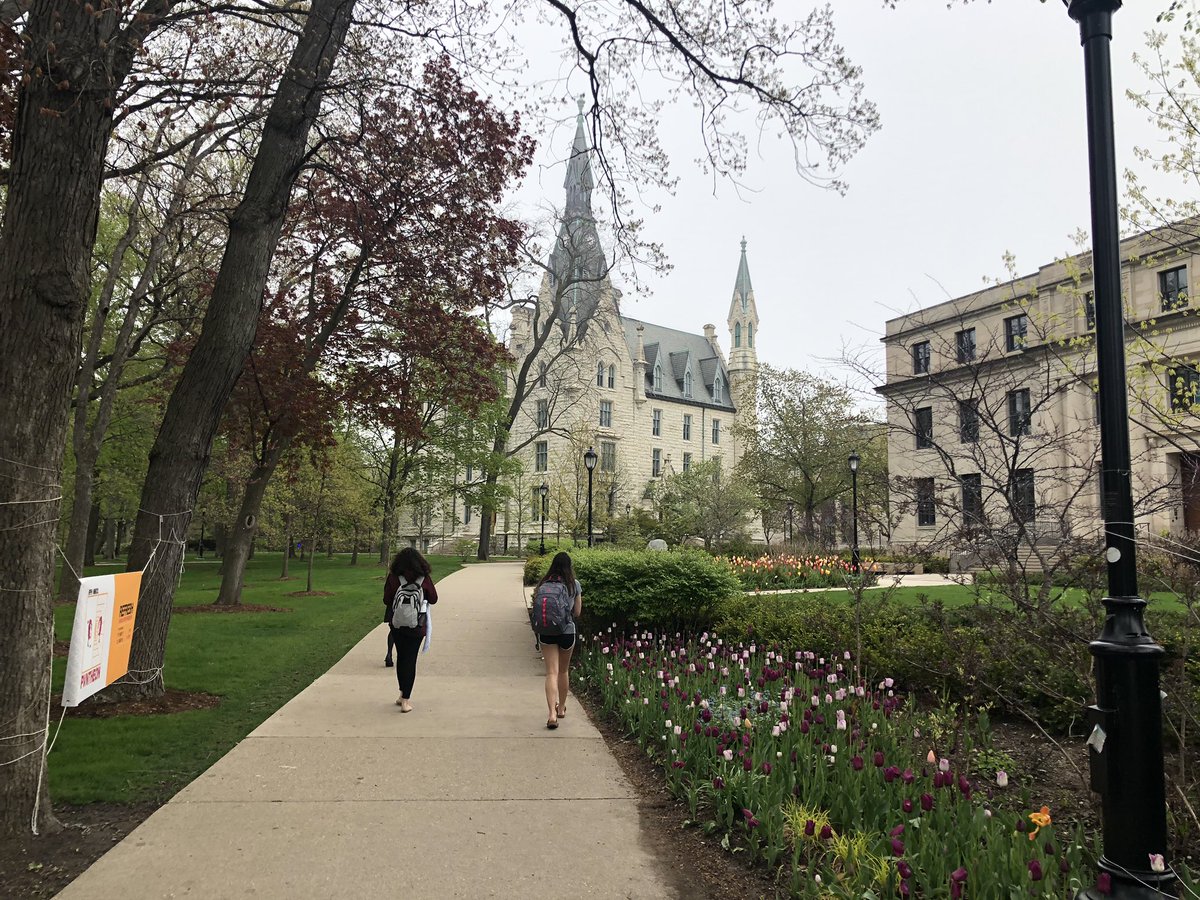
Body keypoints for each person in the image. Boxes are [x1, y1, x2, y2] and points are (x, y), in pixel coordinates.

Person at [382, 547, 438, 713]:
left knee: (401, 658)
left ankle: (401, 694)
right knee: (410, 660)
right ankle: (406, 699)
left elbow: (386, 600)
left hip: (397, 625)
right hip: (417, 625)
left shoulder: (394, 577)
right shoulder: (424, 578)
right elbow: (434, 599)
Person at [534, 551, 582, 730]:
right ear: (569, 566)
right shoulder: (574, 585)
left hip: (547, 631)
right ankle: (561, 708)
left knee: (551, 673)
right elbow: (577, 612)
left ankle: (551, 714)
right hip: (567, 631)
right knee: (563, 671)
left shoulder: (544, 583)